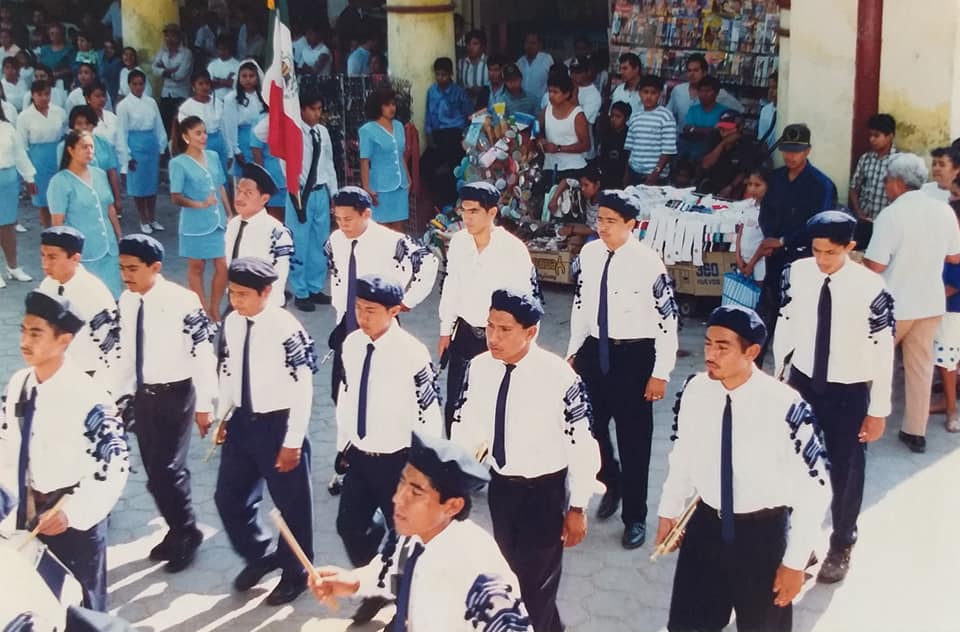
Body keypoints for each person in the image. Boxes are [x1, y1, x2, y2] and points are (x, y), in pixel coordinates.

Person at [656, 305, 831, 632]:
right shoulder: (695, 390)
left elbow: (816, 488)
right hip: (706, 525)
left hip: (761, 534)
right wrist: (670, 509)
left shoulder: (786, 406)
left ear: (751, 352)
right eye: (708, 343)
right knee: (688, 624)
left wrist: (794, 563)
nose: (710, 353)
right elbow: (682, 455)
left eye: (722, 347)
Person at [452, 288, 598, 632]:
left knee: (534, 592)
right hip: (502, 490)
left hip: (543, 496)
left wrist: (578, 507)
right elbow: (464, 425)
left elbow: (582, 446)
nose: (493, 337)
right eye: (490, 326)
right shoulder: (478, 368)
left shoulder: (559, 377)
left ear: (530, 332)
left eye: (505, 329)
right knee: (510, 583)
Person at [774, 211, 894, 584]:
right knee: (796, 464)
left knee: (846, 470)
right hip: (804, 381)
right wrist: (779, 377)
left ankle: (842, 542)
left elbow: (883, 351)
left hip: (848, 389)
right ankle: (800, 540)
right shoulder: (796, 274)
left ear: (850, 247)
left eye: (830, 252)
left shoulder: (871, 288)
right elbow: (786, 322)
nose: (821, 259)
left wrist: (878, 411)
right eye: (816, 251)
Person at [308, 432, 532, 632]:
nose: (397, 499)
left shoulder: (480, 572)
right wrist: (354, 581)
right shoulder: (412, 536)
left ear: (452, 506)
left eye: (415, 493)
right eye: (401, 484)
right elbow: (391, 569)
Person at [0, 291, 129, 611]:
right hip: (27, 513)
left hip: (71, 519)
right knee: (37, 600)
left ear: (64, 340)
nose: (25, 340)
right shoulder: (20, 383)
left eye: (36, 333)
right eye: (23, 330)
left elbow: (114, 467)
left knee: (83, 606)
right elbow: (7, 442)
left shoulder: (90, 397)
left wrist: (73, 512)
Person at [566, 190, 678, 548]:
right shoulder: (589, 253)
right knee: (588, 429)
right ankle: (609, 480)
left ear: (632, 224)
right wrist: (572, 353)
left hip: (634, 358)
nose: (603, 227)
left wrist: (661, 371)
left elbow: (667, 321)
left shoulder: (648, 263)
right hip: (594, 353)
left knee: (635, 442)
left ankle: (634, 517)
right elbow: (582, 306)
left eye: (611, 222)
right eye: (599, 219)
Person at [212, 257, 317, 605]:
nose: (236, 301)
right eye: (233, 293)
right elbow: (228, 371)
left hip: (279, 425)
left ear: (266, 292)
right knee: (228, 498)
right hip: (243, 422)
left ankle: (296, 573)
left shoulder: (286, 328)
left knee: (292, 506)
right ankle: (260, 554)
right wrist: (223, 416)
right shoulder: (232, 323)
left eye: (243, 294)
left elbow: (304, 387)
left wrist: (292, 443)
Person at [113, 234, 215, 572]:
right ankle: (177, 528)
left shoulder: (183, 301)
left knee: (168, 470)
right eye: (122, 268)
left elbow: (202, 352)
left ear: (155, 267)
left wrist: (206, 405)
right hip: (144, 396)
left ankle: (187, 533)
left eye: (132, 269)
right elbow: (126, 353)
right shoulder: (127, 302)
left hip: (176, 394)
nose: (125, 275)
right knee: (155, 472)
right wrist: (115, 395)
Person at [334, 274, 443, 566]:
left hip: (398, 460)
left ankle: (400, 596)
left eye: (370, 311)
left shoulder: (412, 353)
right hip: (360, 454)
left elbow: (429, 411)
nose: (362, 317)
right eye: (358, 308)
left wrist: (426, 465)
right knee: (349, 526)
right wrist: (343, 443)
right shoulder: (352, 344)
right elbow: (347, 394)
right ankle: (374, 579)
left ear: (393, 311)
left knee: (405, 534)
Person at [865, 153, 960, 453]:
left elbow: (875, 266)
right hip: (930, 301)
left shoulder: (891, 215)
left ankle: (862, 423)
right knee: (921, 368)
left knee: (871, 364)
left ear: (896, 182)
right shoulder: (944, 211)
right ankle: (915, 432)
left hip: (895, 304)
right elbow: (955, 257)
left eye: (887, 181)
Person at [439, 182, 538, 435]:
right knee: (456, 405)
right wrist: (445, 329)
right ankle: (456, 466)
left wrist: (524, 346)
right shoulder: (460, 242)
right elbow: (451, 285)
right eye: (464, 210)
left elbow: (528, 301)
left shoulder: (512, 249)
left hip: (499, 337)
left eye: (474, 211)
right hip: (464, 334)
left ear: (492, 213)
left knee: (497, 406)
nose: (467, 217)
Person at [324, 187, 439, 404]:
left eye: (348, 219)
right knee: (342, 391)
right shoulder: (336, 240)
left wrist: (408, 299)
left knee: (380, 391)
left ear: (366, 214)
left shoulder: (391, 241)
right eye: (338, 219)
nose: (342, 224)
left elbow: (428, 261)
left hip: (380, 323)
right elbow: (337, 275)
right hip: (347, 322)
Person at [756, 123, 837, 365]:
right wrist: (770, 239)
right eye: (787, 150)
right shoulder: (777, 178)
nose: (791, 156)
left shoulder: (820, 184)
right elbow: (766, 212)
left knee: (802, 313)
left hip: (804, 257)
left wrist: (783, 241)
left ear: (808, 151)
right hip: (775, 257)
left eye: (796, 150)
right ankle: (755, 364)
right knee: (768, 310)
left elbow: (818, 224)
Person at [169, 115, 232, 320]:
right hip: (194, 224)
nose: (203, 136)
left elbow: (221, 185)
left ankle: (215, 308)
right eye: (198, 133)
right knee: (196, 267)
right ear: (186, 137)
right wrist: (199, 204)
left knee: (223, 266)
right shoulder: (178, 163)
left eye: (204, 132)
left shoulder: (213, 156)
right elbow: (176, 197)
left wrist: (229, 212)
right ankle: (202, 310)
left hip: (218, 221)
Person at [37, 226, 120, 379]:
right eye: (43, 256)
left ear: (75, 258)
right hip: (55, 369)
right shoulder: (47, 285)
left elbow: (110, 343)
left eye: (52, 257)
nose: (45, 263)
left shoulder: (93, 292)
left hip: (88, 372)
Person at [47, 131, 123, 298]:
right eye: (84, 147)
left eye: (91, 147)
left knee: (113, 297)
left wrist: (119, 238)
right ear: (71, 150)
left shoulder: (100, 174)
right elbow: (57, 223)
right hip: (83, 252)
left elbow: (109, 208)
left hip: (109, 249)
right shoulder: (60, 182)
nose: (89, 151)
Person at [286, 90, 337, 311]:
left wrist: (334, 194)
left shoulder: (322, 132)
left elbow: (328, 163)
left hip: (320, 192)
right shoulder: (292, 131)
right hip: (299, 193)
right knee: (300, 242)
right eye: (312, 109)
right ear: (301, 110)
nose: (317, 114)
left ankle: (315, 286)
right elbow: (262, 135)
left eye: (319, 109)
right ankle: (300, 290)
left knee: (320, 241)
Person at [226, 163, 291, 308]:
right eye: (239, 191)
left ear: (264, 199)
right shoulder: (233, 225)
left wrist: (266, 309)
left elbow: (278, 277)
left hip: (263, 305)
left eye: (248, 193)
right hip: (236, 300)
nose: (240, 197)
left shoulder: (276, 232)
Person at [116, 69, 166, 233]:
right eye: (135, 84)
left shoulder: (151, 102)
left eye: (141, 84)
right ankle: (143, 218)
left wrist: (161, 145)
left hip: (150, 144)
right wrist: (127, 155)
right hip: (135, 146)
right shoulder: (123, 106)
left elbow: (158, 124)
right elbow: (122, 132)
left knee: (151, 184)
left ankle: (152, 217)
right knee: (139, 184)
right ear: (129, 85)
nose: (138, 87)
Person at [58, 104, 122, 230]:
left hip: (102, 196)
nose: (83, 127)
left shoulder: (103, 143)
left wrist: (117, 198)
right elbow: (63, 177)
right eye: (79, 123)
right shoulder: (64, 147)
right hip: (77, 199)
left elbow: (112, 171)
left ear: (94, 124)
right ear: (72, 125)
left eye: (87, 123)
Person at [359, 88, 412, 230]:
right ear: (378, 106)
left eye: (393, 104)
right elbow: (364, 160)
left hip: (401, 186)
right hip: (381, 188)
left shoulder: (399, 126)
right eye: (387, 105)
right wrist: (366, 187)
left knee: (398, 231)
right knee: (381, 229)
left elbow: (401, 155)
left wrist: (408, 178)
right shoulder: (367, 130)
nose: (391, 108)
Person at [17, 79, 67, 229]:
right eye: (40, 94)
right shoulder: (24, 117)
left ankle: (63, 228)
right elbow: (22, 146)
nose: (44, 98)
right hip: (37, 160)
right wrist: (27, 175)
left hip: (58, 156)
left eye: (47, 94)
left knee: (60, 196)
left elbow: (65, 133)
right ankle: (49, 231)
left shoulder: (59, 112)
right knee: (43, 200)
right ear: (33, 95)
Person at [0, 103, 36, 287]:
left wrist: (29, 177)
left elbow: (19, 154)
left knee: (7, 225)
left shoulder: (7, 127)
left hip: (8, 181)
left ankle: (12, 266)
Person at [932, 200, 960, 433]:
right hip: (950, 309)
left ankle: (951, 409)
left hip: (952, 311)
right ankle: (947, 404)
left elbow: (952, 286)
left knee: (947, 362)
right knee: (950, 362)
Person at [538, 71, 589, 193]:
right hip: (550, 167)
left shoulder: (577, 115)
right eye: (549, 91)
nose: (551, 95)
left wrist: (559, 148)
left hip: (572, 169)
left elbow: (586, 145)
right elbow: (538, 132)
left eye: (555, 92)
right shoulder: (546, 110)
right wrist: (541, 141)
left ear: (566, 94)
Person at [666, 53, 742, 133]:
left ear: (705, 72)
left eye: (696, 70)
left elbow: (739, 113)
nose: (691, 74)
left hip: (710, 142)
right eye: (689, 70)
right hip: (681, 140)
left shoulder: (719, 93)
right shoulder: (678, 90)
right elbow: (668, 115)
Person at [623, 74, 677, 185]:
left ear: (660, 94)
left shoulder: (666, 116)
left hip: (656, 176)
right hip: (635, 172)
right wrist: (626, 173)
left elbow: (668, 150)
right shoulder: (635, 116)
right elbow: (630, 148)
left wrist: (655, 173)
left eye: (653, 93)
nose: (649, 96)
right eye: (645, 92)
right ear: (639, 93)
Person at [178, 69, 229, 180]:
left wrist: (229, 151)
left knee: (220, 179)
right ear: (193, 86)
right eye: (200, 84)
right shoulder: (186, 107)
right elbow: (185, 133)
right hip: (199, 146)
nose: (204, 87)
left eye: (207, 83)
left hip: (218, 144)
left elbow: (224, 127)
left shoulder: (218, 103)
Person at [699, 111, 763, 198]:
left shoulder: (746, 143)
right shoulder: (713, 137)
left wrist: (731, 187)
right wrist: (723, 144)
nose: (723, 132)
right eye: (721, 128)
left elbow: (744, 171)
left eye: (728, 129)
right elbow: (705, 164)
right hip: (711, 183)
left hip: (734, 186)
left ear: (740, 128)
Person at [221, 60, 266, 181]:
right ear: (238, 77)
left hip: (262, 141)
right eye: (244, 76)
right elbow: (230, 126)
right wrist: (236, 149)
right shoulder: (232, 98)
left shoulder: (263, 96)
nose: (248, 80)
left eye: (251, 76)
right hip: (243, 141)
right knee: (245, 178)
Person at [849, 114, 898, 222]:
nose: (872, 139)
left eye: (876, 136)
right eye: (870, 135)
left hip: (888, 221)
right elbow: (854, 188)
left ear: (890, 136)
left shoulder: (899, 162)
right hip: (865, 220)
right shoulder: (865, 158)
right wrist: (858, 211)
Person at [151, 23, 194, 139]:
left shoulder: (186, 53)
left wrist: (163, 70)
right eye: (167, 36)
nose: (169, 39)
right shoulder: (162, 51)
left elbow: (180, 75)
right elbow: (154, 69)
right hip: (166, 93)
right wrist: (169, 71)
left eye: (172, 36)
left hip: (181, 94)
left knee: (181, 125)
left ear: (179, 37)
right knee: (166, 125)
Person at [679, 76, 728, 162]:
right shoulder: (693, 109)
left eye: (708, 91)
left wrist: (694, 129)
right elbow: (686, 129)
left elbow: (718, 133)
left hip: (711, 149)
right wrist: (709, 130)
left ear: (716, 92)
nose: (704, 94)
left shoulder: (724, 112)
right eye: (701, 91)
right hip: (690, 144)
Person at [734, 168, 770, 283]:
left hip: (760, 262)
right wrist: (738, 257)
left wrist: (751, 264)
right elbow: (741, 231)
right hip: (743, 260)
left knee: (759, 292)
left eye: (757, 185)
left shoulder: (768, 211)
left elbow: (766, 242)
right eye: (750, 184)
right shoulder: (748, 206)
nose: (752, 189)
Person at [569, 56, 601, 160]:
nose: (574, 75)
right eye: (572, 71)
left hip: (583, 154)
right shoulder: (566, 88)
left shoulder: (594, 95)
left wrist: (574, 93)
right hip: (566, 148)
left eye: (578, 72)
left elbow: (582, 122)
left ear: (588, 72)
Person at [597, 101, 630, 189]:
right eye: (612, 116)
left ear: (626, 118)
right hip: (606, 174)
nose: (613, 119)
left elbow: (629, 157)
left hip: (621, 174)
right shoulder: (607, 132)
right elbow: (602, 154)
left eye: (618, 116)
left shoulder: (628, 134)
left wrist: (626, 176)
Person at [37, 23, 74, 91]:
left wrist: (58, 73)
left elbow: (72, 68)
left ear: (61, 34)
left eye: (57, 33)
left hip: (62, 83)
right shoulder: (44, 49)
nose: (54, 36)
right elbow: (39, 65)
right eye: (52, 33)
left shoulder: (69, 50)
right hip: (44, 82)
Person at [516, 32, 553, 102]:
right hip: (524, 103)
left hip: (542, 103)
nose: (529, 46)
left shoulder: (547, 59)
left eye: (533, 43)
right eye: (527, 43)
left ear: (539, 45)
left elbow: (553, 81)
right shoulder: (520, 62)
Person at [457, 29, 489, 109]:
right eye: (468, 44)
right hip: (465, 107)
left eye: (475, 44)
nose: (471, 47)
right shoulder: (461, 63)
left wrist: (482, 90)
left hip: (485, 106)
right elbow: (458, 85)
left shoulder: (489, 63)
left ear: (482, 46)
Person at [207, 35, 240, 103]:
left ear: (230, 49)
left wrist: (218, 81)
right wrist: (226, 81)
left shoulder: (238, 65)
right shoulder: (212, 65)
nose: (222, 52)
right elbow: (208, 84)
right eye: (219, 49)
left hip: (232, 102)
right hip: (214, 101)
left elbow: (237, 85)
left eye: (224, 49)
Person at [757, 72, 778, 149]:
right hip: (768, 156)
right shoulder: (765, 110)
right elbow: (762, 138)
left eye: (774, 88)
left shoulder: (788, 111)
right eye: (769, 88)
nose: (771, 91)